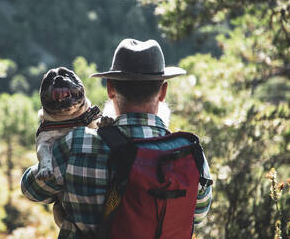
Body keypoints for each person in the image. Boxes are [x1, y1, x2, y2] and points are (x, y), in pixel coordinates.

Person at [21, 39, 212, 238]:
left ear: (110, 88)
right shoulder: (188, 154)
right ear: (163, 92)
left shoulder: (76, 143)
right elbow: (197, 215)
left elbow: (31, 190)